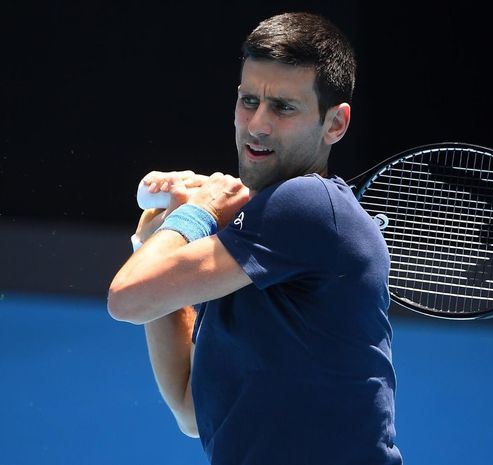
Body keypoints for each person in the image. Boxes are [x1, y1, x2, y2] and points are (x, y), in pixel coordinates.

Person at [108, 12, 402, 464]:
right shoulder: (253, 243)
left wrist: (195, 215)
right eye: (249, 101)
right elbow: (191, 410)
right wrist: (158, 243)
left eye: (283, 107)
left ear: (335, 124)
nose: (257, 124)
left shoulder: (309, 204)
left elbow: (126, 297)